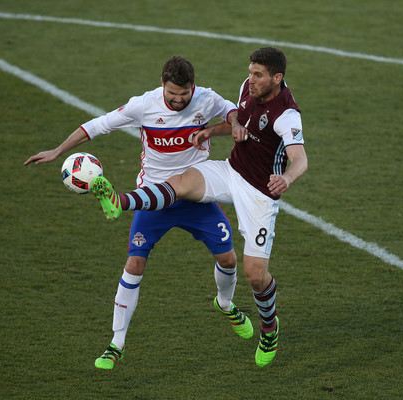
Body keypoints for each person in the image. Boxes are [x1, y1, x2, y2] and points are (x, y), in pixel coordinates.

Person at [24, 56, 253, 371]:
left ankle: (225, 304)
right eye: (172, 95)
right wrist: (58, 151)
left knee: (228, 260)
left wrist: (231, 124)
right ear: (162, 85)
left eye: (183, 95)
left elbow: (233, 111)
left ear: (192, 87)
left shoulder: (205, 99)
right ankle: (116, 343)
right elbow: (98, 125)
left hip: (196, 196)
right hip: (154, 199)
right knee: (134, 263)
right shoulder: (144, 105)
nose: (177, 100)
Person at [93, 47, 308, 367]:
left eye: (258, 75)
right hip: (231, 171)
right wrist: (211, 130)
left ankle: (269, 327)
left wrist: (287, 178)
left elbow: (299, 159)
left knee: (255, 275)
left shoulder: (287, 114)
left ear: (277, 78)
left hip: (260, 192)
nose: (250, 79)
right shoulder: (247, 90)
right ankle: (120, 201)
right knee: (181, 182)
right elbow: (241, 126)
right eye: (250, 71)